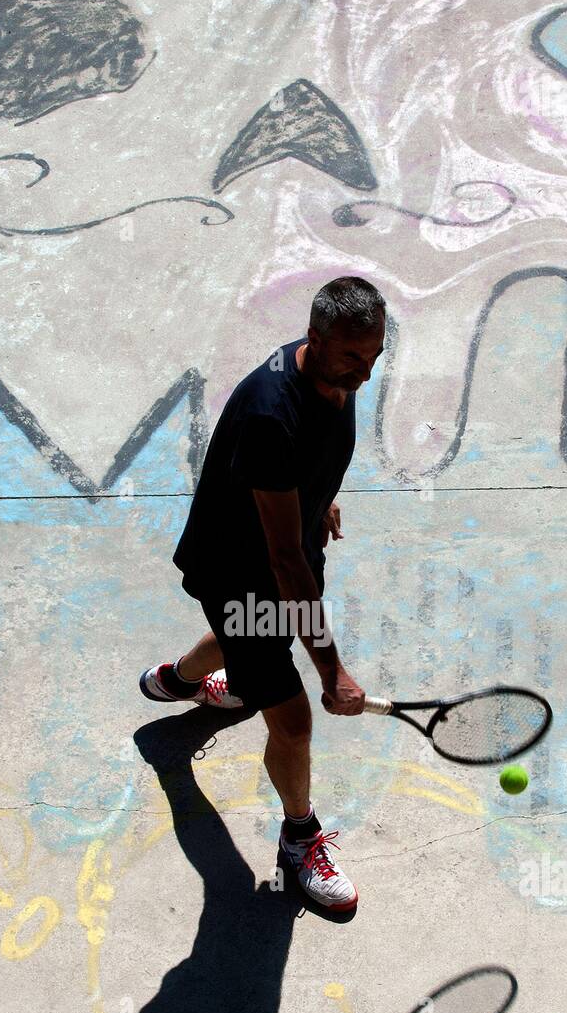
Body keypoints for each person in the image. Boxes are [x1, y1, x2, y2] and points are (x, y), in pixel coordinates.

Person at [140, 276, 386, 911]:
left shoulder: (333, 375)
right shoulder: (271, 412)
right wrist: (333, 672)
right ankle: (299, 838)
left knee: (249, 648)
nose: (367, 370)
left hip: (279, 553)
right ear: (317, 338)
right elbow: (282, 561)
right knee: (293, 714)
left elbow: (304, 469)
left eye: (376, 354)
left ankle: (177, 680)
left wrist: (316, 497)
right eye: (355, 356)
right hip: (241, 571)